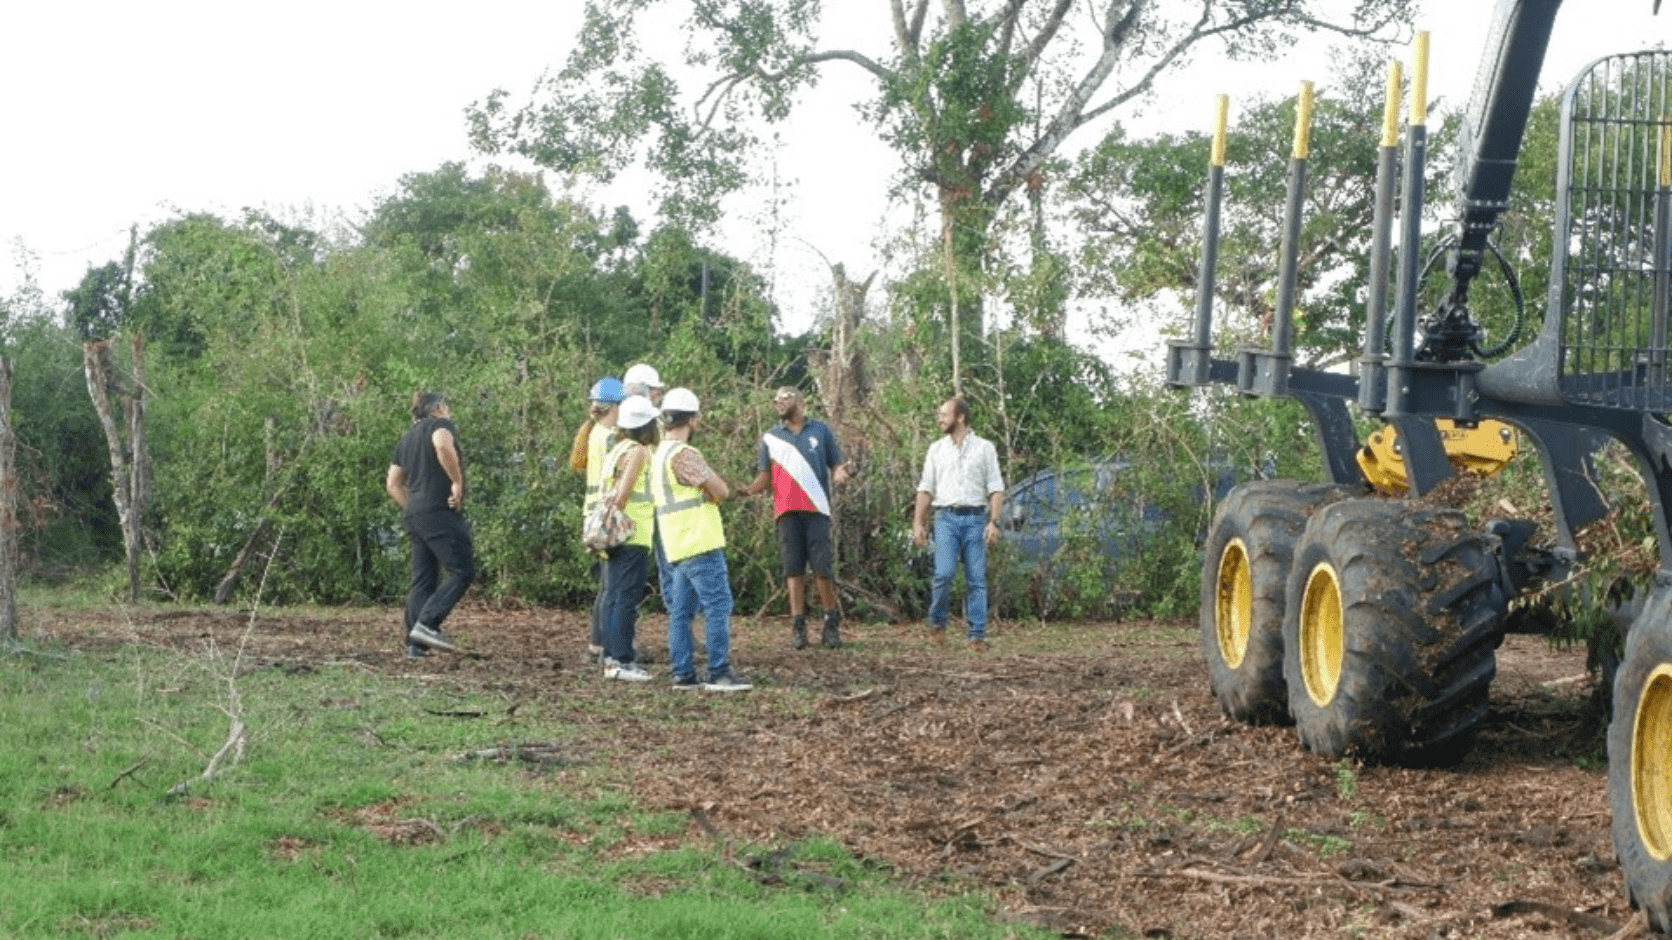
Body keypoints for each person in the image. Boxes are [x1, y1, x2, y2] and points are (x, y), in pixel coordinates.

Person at [652, 387, 751, 691]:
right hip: (700, 541)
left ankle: (683, 673)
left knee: (681, 613)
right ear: (692, 420)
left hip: (677, 543)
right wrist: (712, 490)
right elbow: (720, 489)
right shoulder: (685, 454)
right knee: (718, 605)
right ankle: (719, 671)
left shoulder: (658, 454)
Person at [739, 386, 850, 649]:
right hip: (786, 511)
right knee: (793, 569)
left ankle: (830, 624)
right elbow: (764, 477)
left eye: (784, 398)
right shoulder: (771, 437)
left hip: (817, 509)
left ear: (799, 401)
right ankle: (798, 626)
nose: (778, 403)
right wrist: (748, 489)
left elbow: (836, 463)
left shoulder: (820, 430)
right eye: (775, 400)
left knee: (822, 569)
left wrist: (840, 474)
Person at [385, 391, 475, 657]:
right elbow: (443, 445)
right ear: (438, 408)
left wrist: (414, 508)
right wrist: (457, 482)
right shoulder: (440, 425)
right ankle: (427, 624)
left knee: (423, 578)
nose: (449, 412)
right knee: (462, 570)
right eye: (447, 407)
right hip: (438, 509)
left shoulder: (407, 438)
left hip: (415, 512)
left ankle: (415, 645)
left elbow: (393, 483)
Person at [911, 397, 1005, 652]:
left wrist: (993, 523)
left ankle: (977, 635)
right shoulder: (936, 449)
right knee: (943, 574)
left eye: (944, 414)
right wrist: (918, 523)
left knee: (976, 578)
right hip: (945, 518)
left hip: (975, 518)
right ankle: (938, 623)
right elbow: (926, 488)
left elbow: (996, 488)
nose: (939, 418)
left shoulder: (985, 448)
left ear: (960, 417)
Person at [597, 395, 660, 682]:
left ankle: (611, 656)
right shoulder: (637, 451)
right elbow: (623, 494)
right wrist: (620, 517)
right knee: (626, 597)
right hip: (631, 532)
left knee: (613, 595)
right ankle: (622, 660)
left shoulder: (616, 448)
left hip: (614, 534)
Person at [582, 377, 625, 660]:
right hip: (605, 514)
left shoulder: (596, 432)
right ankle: (604, 644)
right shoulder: (609, 437)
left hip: (595, 511)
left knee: (606, 582)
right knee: (612, 584)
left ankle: (598, 642)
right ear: (614, 407)